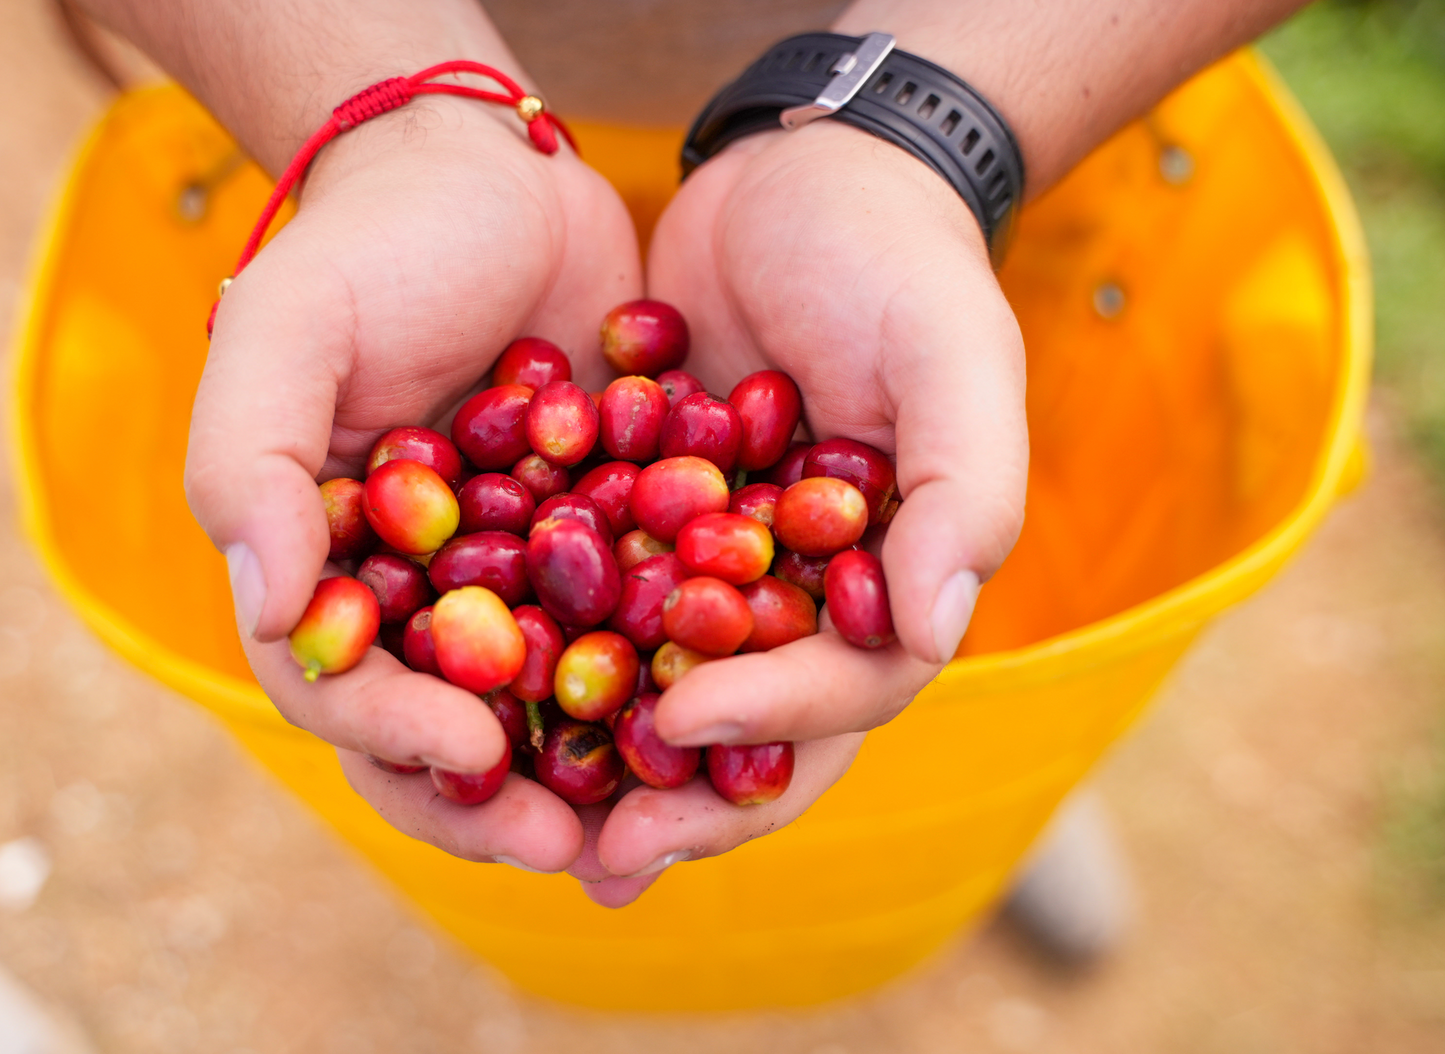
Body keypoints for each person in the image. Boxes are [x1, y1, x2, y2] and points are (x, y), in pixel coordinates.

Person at [74, 0, 1310, 917]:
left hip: (1010, 97)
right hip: (336, 92)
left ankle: (1005, 814)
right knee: (893, 547)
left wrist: (936, 123)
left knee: (963, 473)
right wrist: (384, 116)